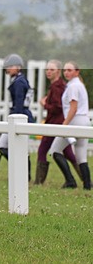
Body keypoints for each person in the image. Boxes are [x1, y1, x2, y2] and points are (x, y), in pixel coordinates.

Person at [35, 59, 79, 185]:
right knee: (68, 153)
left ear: (58, 71)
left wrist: (45, 104)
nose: (48, 72)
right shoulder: (61, 85)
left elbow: (57, 107)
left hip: (54, 123)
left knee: (43, 150)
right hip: (60, 123)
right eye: (47, 69)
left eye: (52, 69)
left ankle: (39, 182)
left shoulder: (56, 87)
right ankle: (85, 179)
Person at [49, 61, 91, 189]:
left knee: (55, 150)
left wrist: (65, 124)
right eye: (65, 70)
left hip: (74, 121)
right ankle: (87, 185)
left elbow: (73, 107)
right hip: (84, 121)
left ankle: (70, 181)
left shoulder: (73, 86)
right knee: (81, 156)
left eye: (70, 70)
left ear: (77, 72)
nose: (66, 72)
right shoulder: (79, 85)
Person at [0, 54, 35, 179]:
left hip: (19, 116)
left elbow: (19, 103)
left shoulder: (19, 82)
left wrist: (16, 118)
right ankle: (23, 172)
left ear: (18, 67)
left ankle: (22, 172)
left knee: (2, 145)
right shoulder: (19, 80)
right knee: (12, 147)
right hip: (20, 115)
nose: (8, 69)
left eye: (10, 66)